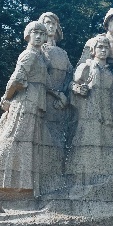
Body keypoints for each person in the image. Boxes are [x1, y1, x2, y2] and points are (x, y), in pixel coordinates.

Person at [0, 21, 50, 212]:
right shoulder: (29, 54)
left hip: (35, 103)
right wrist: (6, 97)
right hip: (24, 103)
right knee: (11, 141)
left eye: (41, 33)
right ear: (27, 35)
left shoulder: (40, 57)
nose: (38, 36)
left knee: (26, 144)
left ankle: (21, 193)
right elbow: (16, 79)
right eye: (34, 32)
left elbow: (42, 82)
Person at [66, 35, 113, 198]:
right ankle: (80, 183)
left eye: (105, 47)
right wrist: (77, 89)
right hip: (88, 115)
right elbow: (72, 85)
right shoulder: (86, 67)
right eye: (100, 47)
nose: (103, 50)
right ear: (93, 50)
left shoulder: (111, 73)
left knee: (105, 148)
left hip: (107, 117)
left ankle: (101, 182)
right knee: (85, 148)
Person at [38, 12, 72, 193]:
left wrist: (65, 96)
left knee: (59, 145)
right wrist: (57, 94)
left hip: (61, 105)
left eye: (53, 23)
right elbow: (39, 76)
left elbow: (69, 75)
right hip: (44, 101)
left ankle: (56, 185)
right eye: (47, 23)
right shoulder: (38, 51)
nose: (50, 26)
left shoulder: (63, 53)